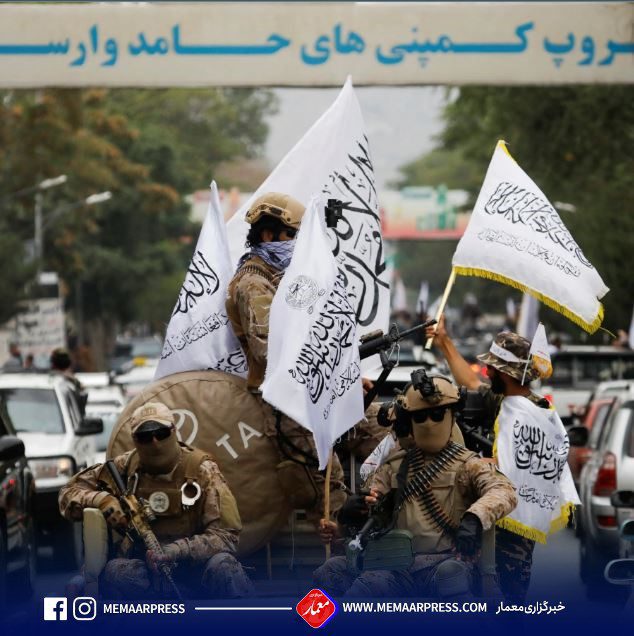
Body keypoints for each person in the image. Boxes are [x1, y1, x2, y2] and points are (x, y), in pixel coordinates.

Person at [313, 374, 517, 599]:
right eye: (420, 417)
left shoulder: (468, 464)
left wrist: (474, 518)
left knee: (450, 577)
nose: (429, 423)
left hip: (445, 561)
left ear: (452, 415)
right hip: (395, 563)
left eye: (437, 415)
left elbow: (504, 491)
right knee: (332, 572)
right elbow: (372, 513)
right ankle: (311, 620)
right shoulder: (394, 466)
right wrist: (350, 516)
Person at [425, 315, 568, 603]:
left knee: (507, 605)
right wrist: (444, 341)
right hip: (494, 519)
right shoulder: (509, 402)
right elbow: (471, 382)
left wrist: (488, 466)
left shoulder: (534, 413)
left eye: (492, 367)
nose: (487, 371)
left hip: (514, 531)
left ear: (506, 373)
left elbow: (529, 468)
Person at [225, 192, 347, 523]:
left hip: (308, 390)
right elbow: (269, 350)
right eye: (293, 235)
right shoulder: (254, 283)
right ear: (268, 235)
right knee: (328, 480)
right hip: (283, 399)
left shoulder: (282, 276)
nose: (298, 244)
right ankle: (338, 543)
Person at [59, 401, 253, 599]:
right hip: (146, 572)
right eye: (145, 436)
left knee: (225, 567)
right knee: (116, 572)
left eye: (161, 433)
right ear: (135, 439)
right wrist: (102, 500)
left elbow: (227, 537)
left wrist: (176, 551)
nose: (155, 443)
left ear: (174, 431)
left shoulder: (203, 471)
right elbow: (67, 493)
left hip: (197, 567)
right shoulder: (125, 468)